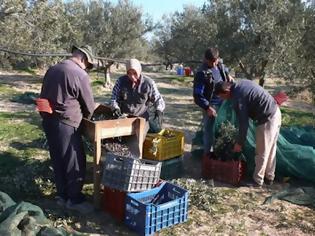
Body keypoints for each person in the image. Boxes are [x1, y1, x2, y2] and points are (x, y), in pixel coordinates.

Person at [37, 45, 96, 213]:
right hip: (67, 123)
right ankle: (75, 200)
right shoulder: (80, 74)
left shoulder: (53, 69)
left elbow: (43, 95)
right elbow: (89, 107)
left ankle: (61, 196)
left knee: (58, 159)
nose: (87, 68)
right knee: (74, 161)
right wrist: (88, 118)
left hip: (48, 121)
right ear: (84, 59)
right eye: (88, 65)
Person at [214, 80, 282, 187]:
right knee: (271, 148)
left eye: (221, 97)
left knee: (262, 151)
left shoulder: (238, 96)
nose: (222, 100)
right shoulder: (239, 84)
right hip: (275, 112)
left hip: (267, 118)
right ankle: (269, 177)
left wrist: (239, 143)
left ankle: (257, 180)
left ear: (226, 92)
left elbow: (243, 123)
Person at [193, 47, 234, 155]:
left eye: (216, 60)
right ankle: (208, 156)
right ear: (206, 59)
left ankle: (221, 153)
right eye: (212, 61)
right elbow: (197, 95)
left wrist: (228, 75)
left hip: (224, 102)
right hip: (211, 104)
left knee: (223, 129)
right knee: (209, 131)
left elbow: (225, 71)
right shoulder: (201, 73)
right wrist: (207, 107)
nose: (215, 63)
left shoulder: (220, 65)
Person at [111, 58, 165, 137]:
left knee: (137, 143)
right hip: (124, 119)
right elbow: (114, 98)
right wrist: (115, 107)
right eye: (129, 73)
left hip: (142, 120)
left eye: (135, 73)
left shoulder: (148, 83)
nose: (132, 76)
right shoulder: (121, 81)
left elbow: (158, 99)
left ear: (139, 71)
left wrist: (159, 110)